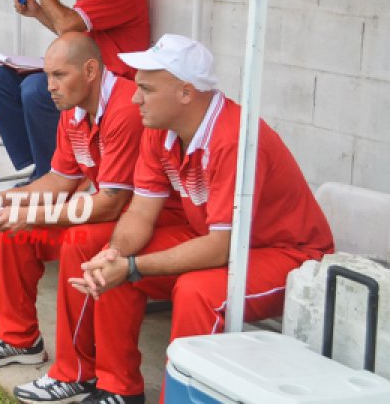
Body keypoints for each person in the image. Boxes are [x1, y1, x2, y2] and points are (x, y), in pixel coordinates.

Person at [66, 34, 335, 404]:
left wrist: (132, 265)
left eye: (146, 88)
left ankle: (182, 398)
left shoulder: (235, 139)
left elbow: (221, 247)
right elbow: (140, 214)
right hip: (216, 241)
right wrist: (115, 255)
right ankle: (118, 389)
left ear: (186, 93)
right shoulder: (159, 128)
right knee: (113, 264)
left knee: (197, 292)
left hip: (290, 255)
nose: (134, 97)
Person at [0, 32, 185, 403]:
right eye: (47, 76)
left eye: (59, 75)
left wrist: (37, 215)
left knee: (80, 243)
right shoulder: (74, 109)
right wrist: (3, 200)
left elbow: (112, 204)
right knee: (18, 231)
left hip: (150, 221)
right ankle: (19, 338)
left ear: (91, 70)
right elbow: (58, 179)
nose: (49, 87)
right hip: (110, 213)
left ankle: (76, 373)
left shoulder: (126, 110)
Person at [0, 0, 150, 181]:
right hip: (84, 74)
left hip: (112, 85)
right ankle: (37, 165)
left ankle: (48, 176)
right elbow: (70, 33)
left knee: (36, 88)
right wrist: (38, 12)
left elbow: (66, 22)